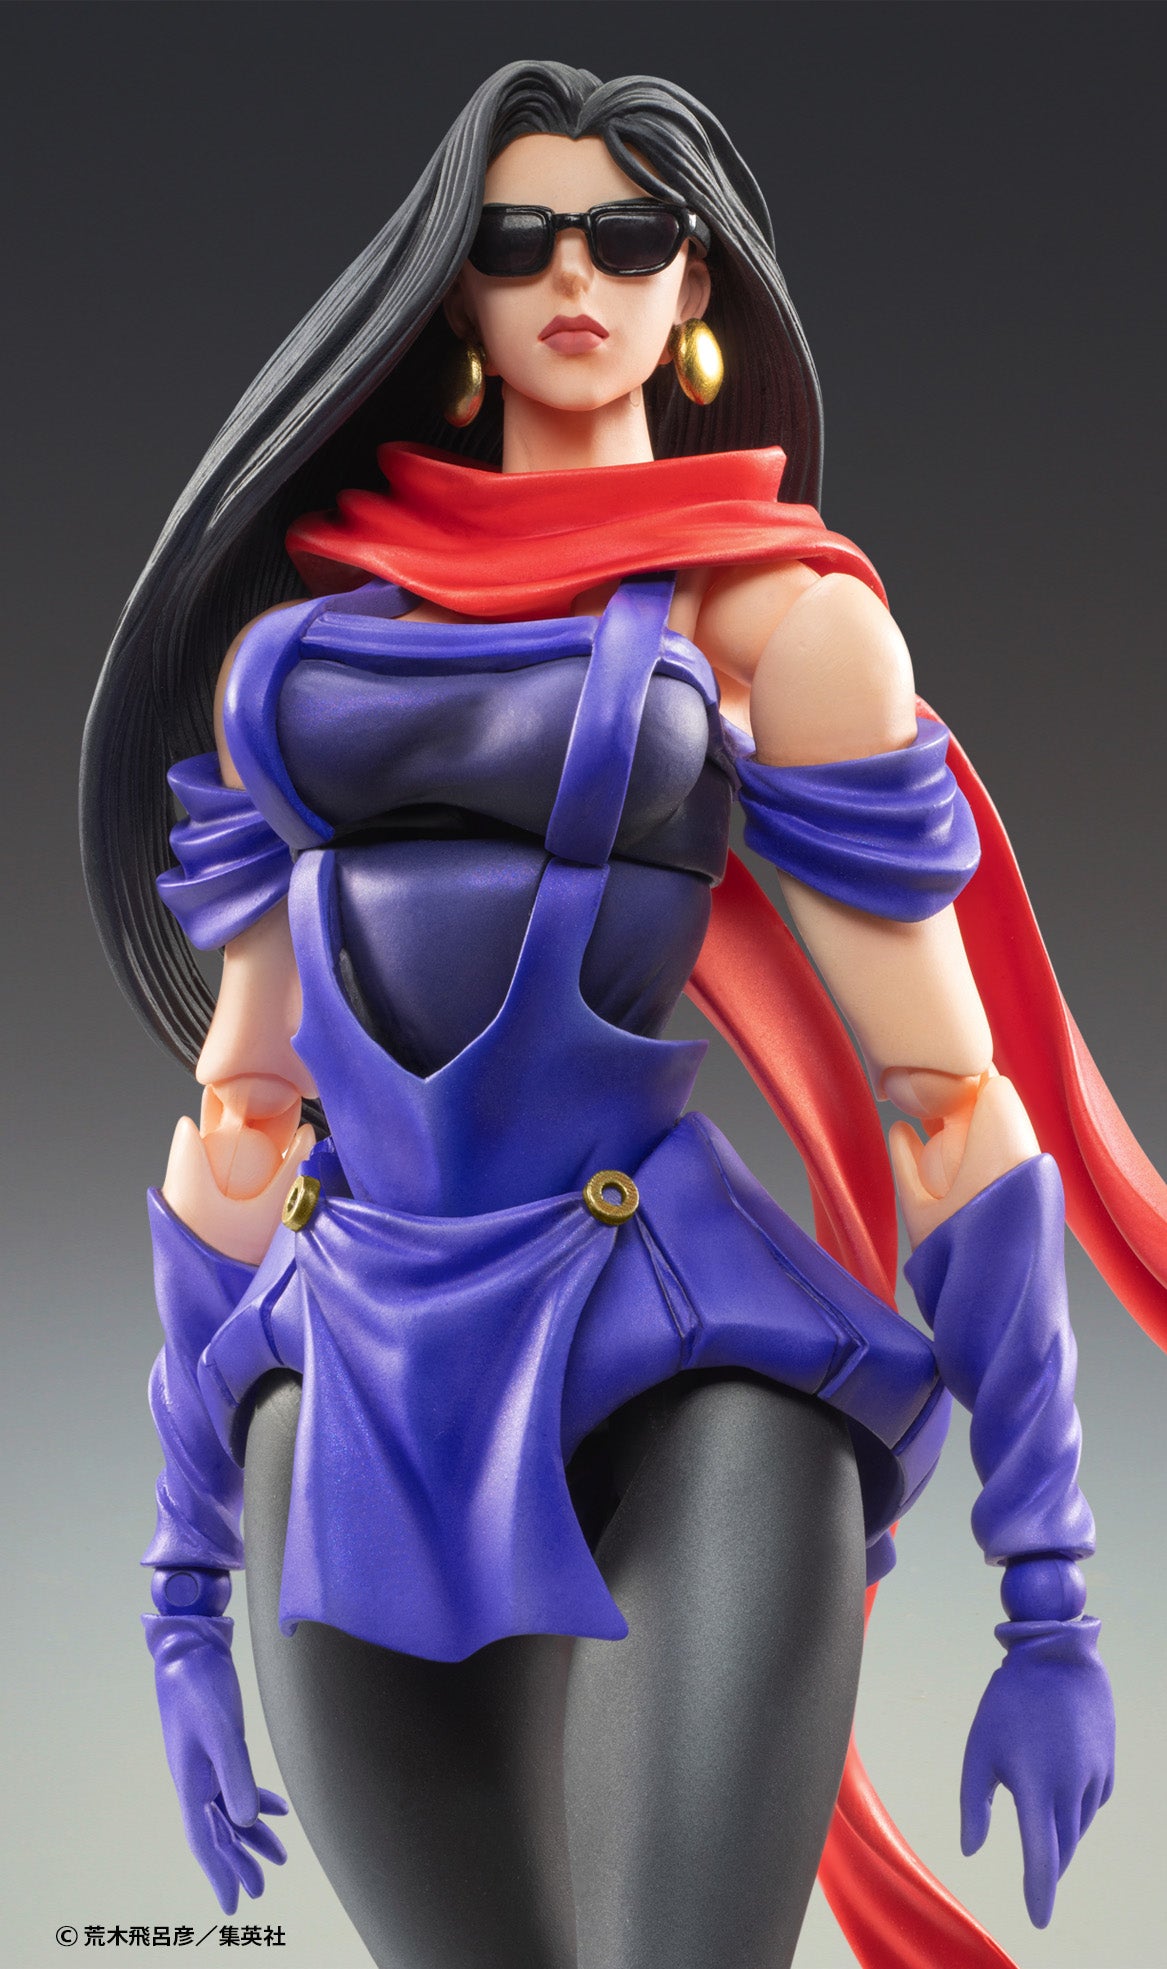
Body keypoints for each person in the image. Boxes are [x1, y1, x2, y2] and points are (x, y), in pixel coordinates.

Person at [81, 59, 1166, 1969]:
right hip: (354, 1385)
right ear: (457, 295)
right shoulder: (293, 657)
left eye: (627, 233)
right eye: (518, 241)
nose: (573, 276)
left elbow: (945, 1093)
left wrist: (1052, 1600)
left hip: (682, 1367)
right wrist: (176, 1603)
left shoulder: (777, 626)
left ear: (694, 288)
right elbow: (242, 1106)